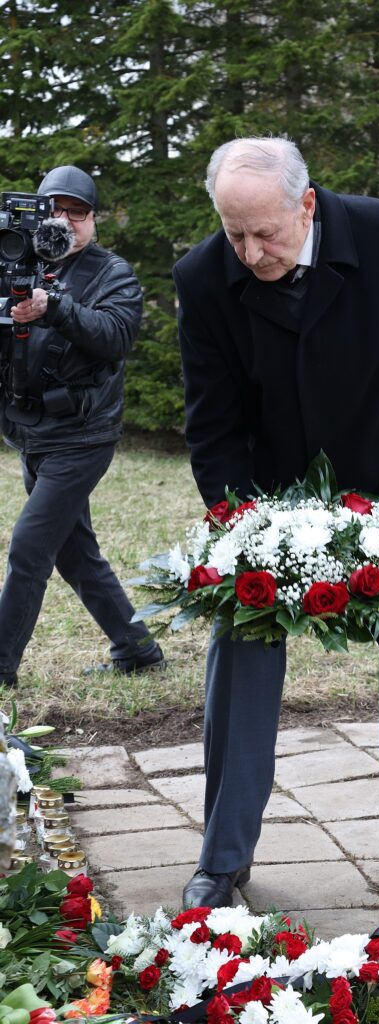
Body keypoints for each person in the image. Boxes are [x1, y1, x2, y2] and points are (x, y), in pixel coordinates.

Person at [174, 136, 379, 931]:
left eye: (265, 233)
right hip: (272, 503)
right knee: (239, 649)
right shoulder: (203, 278)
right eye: (235, 235)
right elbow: (213, 424)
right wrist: (243, 523)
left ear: (306, 205)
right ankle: (222, 857)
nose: (250, 253)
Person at [0, 165, 164, 685]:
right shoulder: (14, 261)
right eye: (55, 208)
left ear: (94, 220)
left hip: (83, 435)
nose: (66, 220)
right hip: (31, 431)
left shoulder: (112, 273)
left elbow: (115, 336)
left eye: (78, 211)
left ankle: (1, 669)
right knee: (74, 552)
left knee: (30, 547)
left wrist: (53, 308)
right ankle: (136, 648)